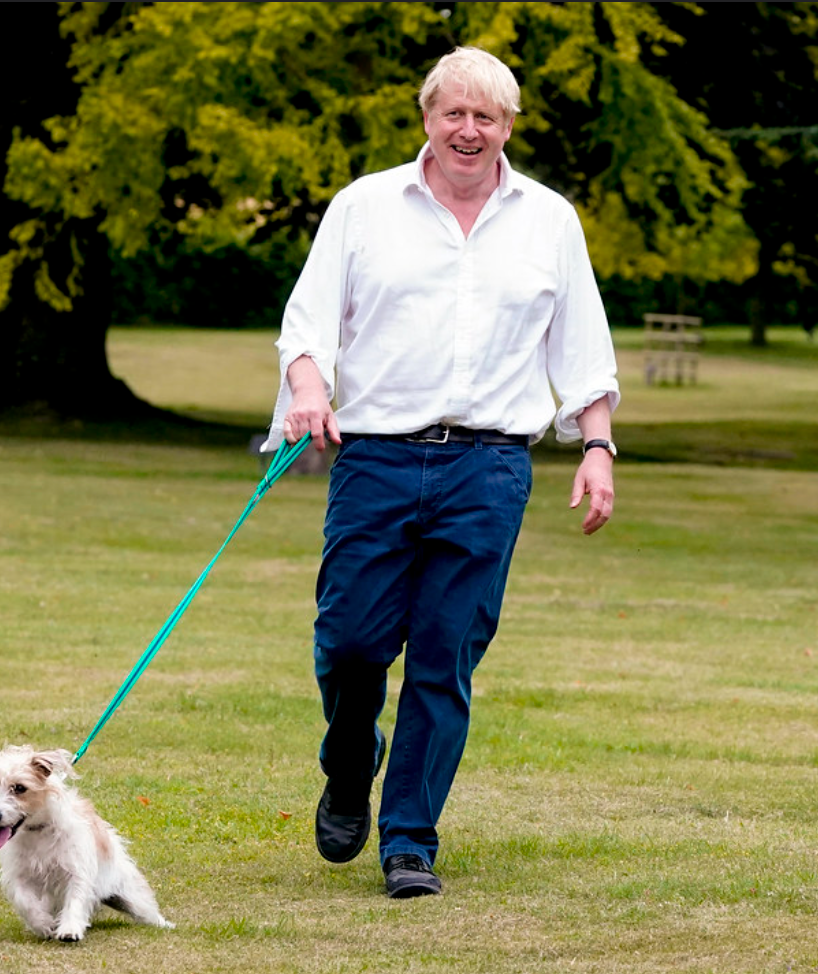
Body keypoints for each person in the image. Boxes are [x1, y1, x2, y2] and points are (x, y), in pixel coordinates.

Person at [261, 46, 620, 898]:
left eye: (486, 117)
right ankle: (350, 767)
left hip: (490, 467)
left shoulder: (549, 220)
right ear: (426, 116)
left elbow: (582, 348)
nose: (469, 130)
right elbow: (307, 324)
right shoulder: (364, 207)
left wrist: (598, 447)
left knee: (444, 655)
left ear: (507, 128)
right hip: (377, 457)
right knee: (350, 644)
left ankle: (409, 842)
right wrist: (308, 388)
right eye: (453, 113)